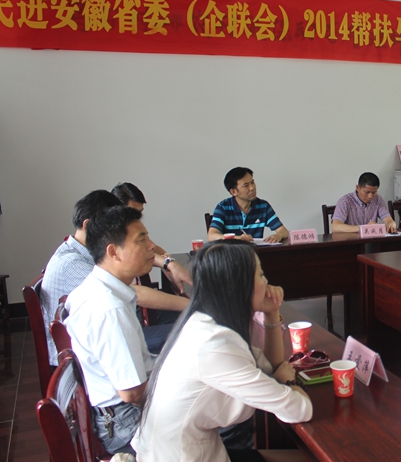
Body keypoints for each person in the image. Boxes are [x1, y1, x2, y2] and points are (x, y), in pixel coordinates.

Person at [133, 241, 312, 462]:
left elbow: (269, 366)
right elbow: (299, 409)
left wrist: (272, 312)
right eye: (260, 274)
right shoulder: (214, 346)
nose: (267, 282)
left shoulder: (203, 321)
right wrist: (288, 382)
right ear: (239, 286)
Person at [40, 191, 188, 365]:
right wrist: (193, 305)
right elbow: (133, 293)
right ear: (88, 225)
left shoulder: (84, 253)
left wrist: (168, 263)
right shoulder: (72, 263)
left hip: (97, 343)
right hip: (81, 357)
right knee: (187, 331)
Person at [64, 206, 157, 455]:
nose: (151, 246)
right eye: (142, 240)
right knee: (218, 417)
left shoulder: (97, 287)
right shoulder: (109, 309)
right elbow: (132, 393)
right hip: (126, 421)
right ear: (113, 252)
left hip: (119, 412)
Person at [112, 181, 192, 293]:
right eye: (132, 213)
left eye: (140, 212)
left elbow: (152, 249)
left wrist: (168, 261)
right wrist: (167, 263)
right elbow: (144, 253)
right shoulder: (112, 236)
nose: (137, 218)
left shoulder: (134, 229)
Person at [208, 167, 289, 244]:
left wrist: (278, 235)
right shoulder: (223, 207)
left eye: (252, 182)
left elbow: (284, 231)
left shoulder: (263, 206)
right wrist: (237, 238)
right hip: (230, 253)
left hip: (255, 252)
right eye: (246, 185)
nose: (252, 188)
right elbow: (211, 236)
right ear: (233, 192)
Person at [331, 172, 397, 233]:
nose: (370, 196)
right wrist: (364, 228)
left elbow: (388, 219)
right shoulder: (345, 201)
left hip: (371, 240)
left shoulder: (377, 199)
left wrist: (391, 223)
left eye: (374, 192)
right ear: (357, 188)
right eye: (367, 192)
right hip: (350, 240)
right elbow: (335, 227)